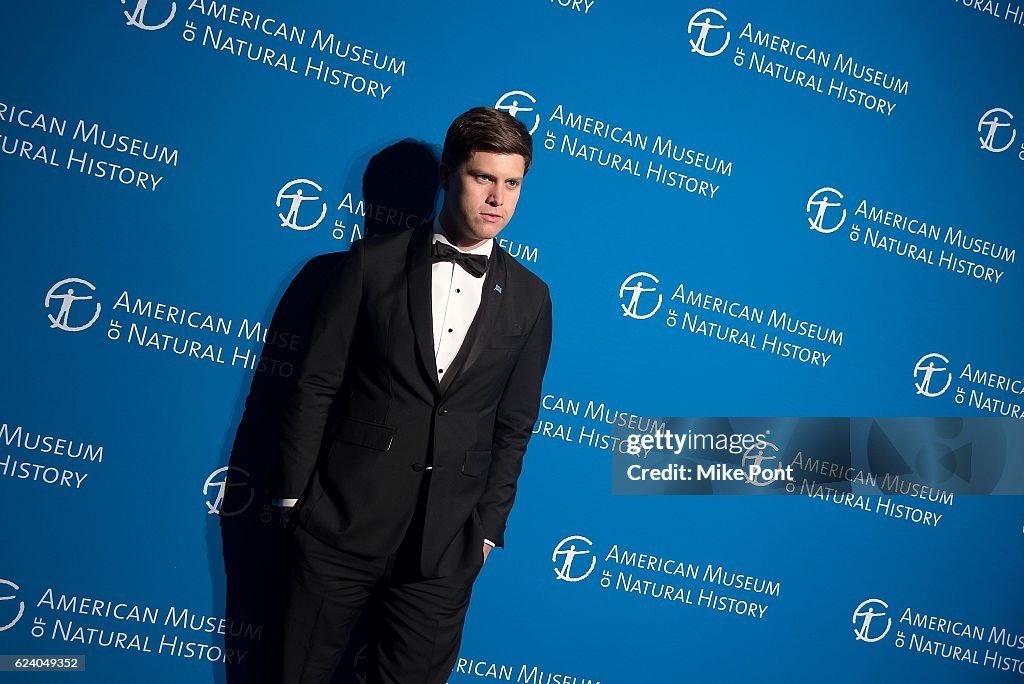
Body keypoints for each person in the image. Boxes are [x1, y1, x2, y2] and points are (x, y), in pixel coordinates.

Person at [274, 106, 553, 684]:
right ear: (448, 177)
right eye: (483, 178)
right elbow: (317, 383)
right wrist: (296, 501)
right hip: (339, 526)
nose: (498, 198)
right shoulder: (370, 265)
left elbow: (515, 424)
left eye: (512, 183)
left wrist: (486, 530)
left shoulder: (532, 298)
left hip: (445, 550)